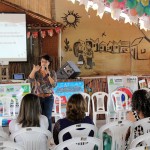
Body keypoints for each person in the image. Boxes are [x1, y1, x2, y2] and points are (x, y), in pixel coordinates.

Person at [28, 54, 57, 131]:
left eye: (45, 61)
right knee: (38, 117)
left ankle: (49, 135)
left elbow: (54, 85)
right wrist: (34, 70)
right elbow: (30, 80)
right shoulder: (37, 73)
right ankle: (40, 134)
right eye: (42, 61)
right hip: (38, 97)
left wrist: (48, 75)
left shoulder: (52, 72)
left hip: (48, 97)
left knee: (48, 117)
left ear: (48, 63)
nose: (43, 63)